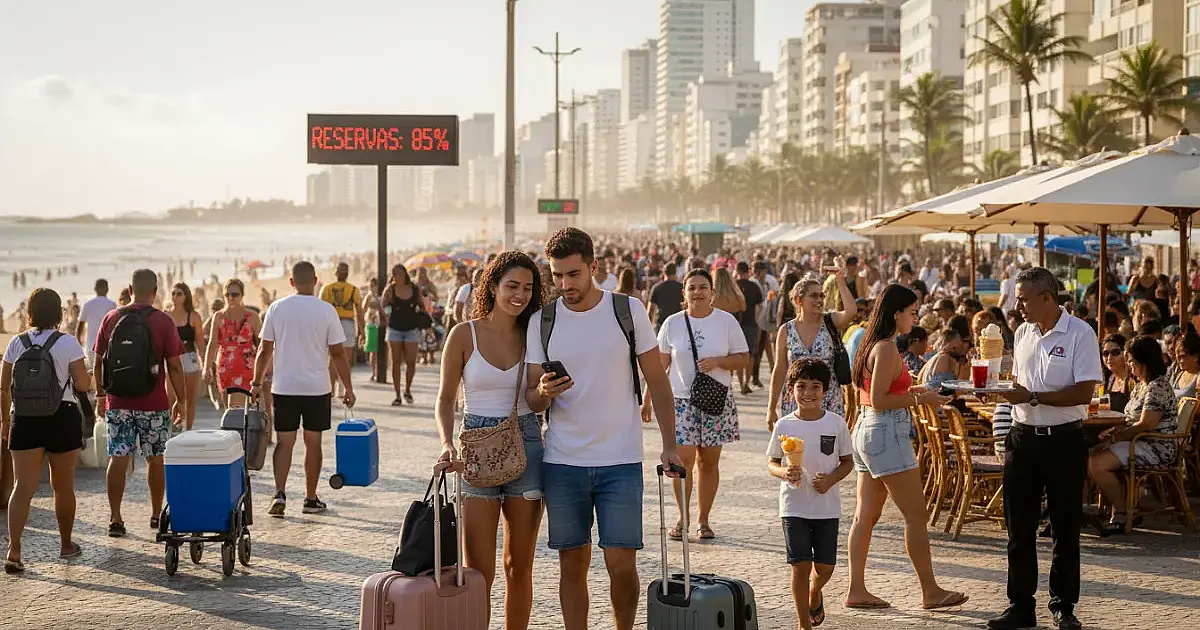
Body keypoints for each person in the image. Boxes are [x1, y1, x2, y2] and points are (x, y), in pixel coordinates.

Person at [524, 228, 683, 630]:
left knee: (621, 565)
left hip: (622, 460)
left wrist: (670, 445)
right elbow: (531, 399)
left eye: (573, 274)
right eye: (557, 276)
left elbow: (658, 383)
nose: (564, 285)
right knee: (571, 566)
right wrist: (543, 390)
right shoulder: (542, 321)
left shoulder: (627, 310)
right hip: (562, 461)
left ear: (594, 267)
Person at [434, 252, 545, 630]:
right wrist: (447, 443)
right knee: (478, 570)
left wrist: (546, 392)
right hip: (475, 448)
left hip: (526, 442)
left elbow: (534, 398)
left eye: (528, 288)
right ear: (492, 286)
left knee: (519, 566)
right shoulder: (464, 333)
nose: (520, 295)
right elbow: (446, 398)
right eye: (512, 286)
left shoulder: (535, 335)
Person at [988, 266, 1101, 630]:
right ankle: (1020, 605)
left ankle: (1063, 606)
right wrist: (1005, 389)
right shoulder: (1022, 333)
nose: (1017, 305)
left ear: (1048, 298)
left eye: (1023, 298)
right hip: (1022, 439)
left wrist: (1032, 396)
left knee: (1065, 528)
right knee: (1018, 529)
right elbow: (1020, 382)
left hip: (1064, 441)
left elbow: (1085, 391)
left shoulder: (1081, 334)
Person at [845, 283, 966, 612]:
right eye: (913, 313)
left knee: (865, 516)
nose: (916, 319)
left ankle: (857, 589)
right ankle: (930, 591)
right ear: (896, 313)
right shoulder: (884, 348)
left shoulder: (873, 344)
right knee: (916, 515)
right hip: (884, 431)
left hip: (867, 430)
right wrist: (919, 396)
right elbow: (883, 399)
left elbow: (874, 394)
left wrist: (912, 387)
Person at [644, 269, 748, 541]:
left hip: (716, 399)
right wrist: (646, 399)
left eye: (703, 287)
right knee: (683, 461)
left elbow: (744, 358)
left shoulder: (725, 322)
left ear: (712, 292)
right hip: (681, 402)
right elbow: (660, 367)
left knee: (708, 462)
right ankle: (683, 516)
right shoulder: (672, 324)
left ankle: (703, 520)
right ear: (684, 293)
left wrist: (718, 362)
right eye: (692, 288)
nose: (698, 292)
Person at [253, 261, 355, 518]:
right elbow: (338, 354)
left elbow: (264, 350)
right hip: (317, 387)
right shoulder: (326, 310)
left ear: (291, 282)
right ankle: (310, 498)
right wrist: (348, 388)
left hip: (284, 387)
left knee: (285, 442)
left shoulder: (277, 308)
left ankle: (279, 493)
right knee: (313, 442)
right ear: (316, 280)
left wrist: (256, 383)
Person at [1, 288, 90, 573]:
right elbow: (83, 384)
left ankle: (14, 551)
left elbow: (4, 387)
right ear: (58, 313)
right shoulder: (68, 343)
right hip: (60, 417)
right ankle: (66, 545)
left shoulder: (16, 342)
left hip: (24, 419)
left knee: (22, 487)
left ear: (30, 312)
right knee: (62, 486)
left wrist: (6, 422)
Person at [92, 269, 186, 538]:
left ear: (130, 290)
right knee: (156, 459)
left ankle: (115, 518)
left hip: (118, 401)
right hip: (154, 403)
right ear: (155, 292)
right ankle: (156, 515)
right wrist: (182, 400)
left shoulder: (112, 318)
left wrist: (100, 395)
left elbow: (98, 361)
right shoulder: (163, 321)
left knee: (118, 457)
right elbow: (175, 366)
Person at [766, 359, 854, 630]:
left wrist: (831, 479)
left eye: (815, 386)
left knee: (825, 568)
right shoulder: (784, 425)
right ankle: (803, 624)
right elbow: (772, 463)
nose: (808, 393)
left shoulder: (836, 424)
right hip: (794, 506)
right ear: (791, 389)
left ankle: (815, 592)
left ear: (825, 391)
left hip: (827, 507)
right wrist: (784, 474)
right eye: (801, 386)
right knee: (800, 566)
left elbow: (847, 462)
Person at [1088, 335, 1180, 535]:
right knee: (1093, 453)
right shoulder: (1141, 385)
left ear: (1143, 361)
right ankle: (1121, 508)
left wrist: (1116, 437)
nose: (1129, 365)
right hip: (1138, 442)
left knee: (1096, 464)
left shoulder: (1158, 386)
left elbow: (1146, 424)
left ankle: (1122, 512)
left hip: (1156, 448)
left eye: (1131, 360)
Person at [766, 268, 855, 430]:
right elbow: (779, 370)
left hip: (828, 400)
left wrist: (840, 279)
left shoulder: (830, 322)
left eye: (821, 295)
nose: (819, 300)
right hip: (795, 401)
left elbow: (851, 311)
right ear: (799, 300)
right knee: (796, 450)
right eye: (813, 296)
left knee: (827, 452)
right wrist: (771, 408)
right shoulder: (786, 330)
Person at [202, 279, 262, 408]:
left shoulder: (253, 317)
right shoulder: (218, 317)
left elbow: (261, 345)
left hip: (246, 366)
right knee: (229, 410)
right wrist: (206, 367)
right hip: (224, 367)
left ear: (242, 296)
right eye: (227, 295)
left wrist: (264, 371)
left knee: (235, 409)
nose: (230, 298)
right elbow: (212, 344)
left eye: (235, 295)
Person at [320, 262, 364, 396]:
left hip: (331, 323)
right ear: (347, 274)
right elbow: (359, 311)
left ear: (336, 273)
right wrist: (362, 330)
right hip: (347, 323)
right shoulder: (353, 289)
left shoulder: (327, 289)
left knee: (331, 357)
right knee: (346, 358)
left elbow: (321, 309)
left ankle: (331, 388)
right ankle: (343, 388)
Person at [164, 283, 204, 431]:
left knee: (189, 399)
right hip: (171, 359)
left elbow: (200, 343)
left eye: (179, 294)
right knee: (170, 398)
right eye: (173, 293)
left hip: (189, 358)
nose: (175, 297)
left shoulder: (193, 316)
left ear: (186, 296)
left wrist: (205, 364)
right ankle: (171, 429)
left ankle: (189, 430)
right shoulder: (166, 315)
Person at [383, 264, 423, 405]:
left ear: (405, 274)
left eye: (400, 273)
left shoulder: (414, 288)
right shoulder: (391, 289)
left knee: (411, 362)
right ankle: (397, 395)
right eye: (395, 274)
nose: (398, 277)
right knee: (395, 362)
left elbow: (422, 305)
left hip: (412, 329)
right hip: (395, 329)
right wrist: (385, 307)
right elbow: (383, 306)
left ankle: (407, 389)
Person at [735, 262, 764, 395]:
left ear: (737, 271)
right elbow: (760, 306)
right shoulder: (754, 286)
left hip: (736, 324)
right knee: (750, 354)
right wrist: (757, 319)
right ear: (749, 271)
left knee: (737, 354)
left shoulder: (734, 286)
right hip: (751, 323)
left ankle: (741, 383)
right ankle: (747, 382)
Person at [647, 262, 684, 333]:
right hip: (678, 324)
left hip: (661, 325)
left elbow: (650, 311)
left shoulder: (656, 288)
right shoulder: (681, 288)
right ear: (675, 273)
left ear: (664, 273)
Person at [1101, 333, 1134, 413]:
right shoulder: (1110, 379)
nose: (1109, 357)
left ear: (1126, 354)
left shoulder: (1133, 378)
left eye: (1115, 352)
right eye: (1105, 353)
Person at [1169, 329, 1200, 399]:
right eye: (1178, 357)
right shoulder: (1178, 374)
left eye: (1183, 356)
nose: (1180, 361)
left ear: (1196, 356)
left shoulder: (1198, 379)